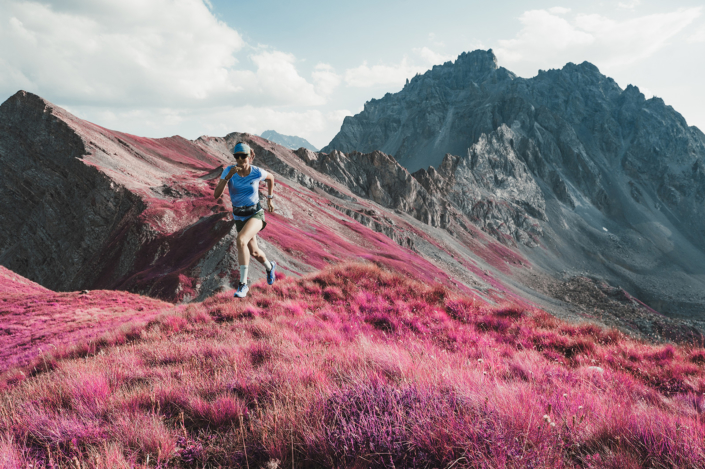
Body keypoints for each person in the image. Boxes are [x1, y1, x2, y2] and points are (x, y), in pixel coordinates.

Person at [214, 142, 276, 298]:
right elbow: (216, 195)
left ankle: (243, 285)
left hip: (255, 214)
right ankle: (270, 267)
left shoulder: (256, 172)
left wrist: (269, 199)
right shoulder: (229, 171)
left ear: (250, 156)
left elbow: (271, 178)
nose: (240, 159)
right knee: (254, 252)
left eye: (244, 156)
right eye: (237, 156)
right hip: (239, 217)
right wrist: (227, 178)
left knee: (241, 240)